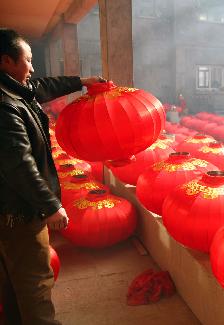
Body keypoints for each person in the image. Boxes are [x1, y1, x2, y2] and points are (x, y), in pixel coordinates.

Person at [0, 28, 105, 325]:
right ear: (7, 61)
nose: (32, 69)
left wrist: (81, 82)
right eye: (28, 61)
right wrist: (50, 205)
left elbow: (42, 86)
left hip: (7, 211)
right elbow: (18, 163)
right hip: (19, 214)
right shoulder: (5, 106)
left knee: (12, 284)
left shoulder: (13, 91)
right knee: (36, 285)